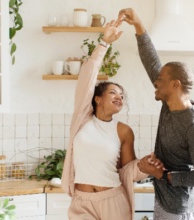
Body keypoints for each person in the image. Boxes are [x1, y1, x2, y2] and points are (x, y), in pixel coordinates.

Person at [118, 8, 194, 220]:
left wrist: (162, 174)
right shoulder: (168, 103)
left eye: (160, 79)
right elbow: (152, 62)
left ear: (174, 84)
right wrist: (138, 25)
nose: (155, 81)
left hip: (182, 208)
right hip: (165, 202)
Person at [61, 19, 148, 220]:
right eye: (113, 93)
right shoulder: (82, 119)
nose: (119, 97)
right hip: (82, 202)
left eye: (122, 96)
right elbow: (88, 74)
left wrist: (144, 166)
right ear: (97, 99)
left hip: (113, 200)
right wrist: (104, 43)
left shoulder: (124, 131)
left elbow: (128, 170)